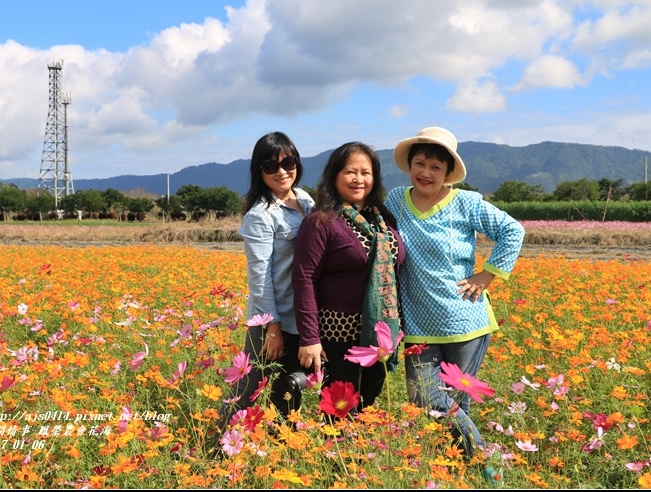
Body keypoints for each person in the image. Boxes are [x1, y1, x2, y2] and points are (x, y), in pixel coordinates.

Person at [384, 126, 524, 479]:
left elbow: (513, 231)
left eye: (435, 167)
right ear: (409, 165)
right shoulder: (396, 200)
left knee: (454, 404)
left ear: (448, 173)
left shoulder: (466, 202)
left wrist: (486, 275)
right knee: (427, 401)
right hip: (417, 323)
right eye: (420, 163)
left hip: (465, 321)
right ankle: (487, 466)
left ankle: (470, 473)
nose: (426, 173)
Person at [293, 142, 405, 413]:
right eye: (349, 172)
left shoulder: (383, 219)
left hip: (380, 335)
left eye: (365, 173)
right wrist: (309, 338)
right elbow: (304, 278)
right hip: (339, 335)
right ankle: (336, 456)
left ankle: (359, 455)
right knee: (341, 413)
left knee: (369, 407)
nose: (358, 179)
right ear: (334, 176)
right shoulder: (321, 221)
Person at [217, 131, 315, 437]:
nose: (282, 171)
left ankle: (277, 441)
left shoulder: (306, 199)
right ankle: (220, 441)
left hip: (303, 315)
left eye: (288, 161)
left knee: (289, 384)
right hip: (272, 318)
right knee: (249, 387)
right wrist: (271, 328)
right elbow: (259, 278)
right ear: (259, 171)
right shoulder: (260, 215)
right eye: (271, 166)